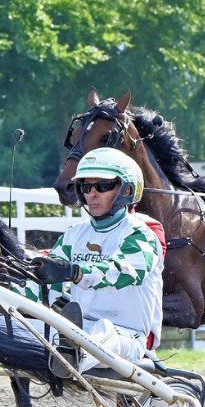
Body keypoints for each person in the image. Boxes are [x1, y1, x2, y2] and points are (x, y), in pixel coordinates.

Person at [25, 147, 165, 374]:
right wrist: (17, 282)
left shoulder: (140, 235)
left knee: (104, 331)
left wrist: (75, 272)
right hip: (75, 330)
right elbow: (49, 284)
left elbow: (121, 272)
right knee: (13, 325)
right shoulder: (74, 235)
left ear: (126, 189)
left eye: (103, 185)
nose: (92, 194)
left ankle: (74, 355)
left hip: (127, 336)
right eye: (86, 186)